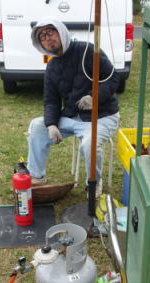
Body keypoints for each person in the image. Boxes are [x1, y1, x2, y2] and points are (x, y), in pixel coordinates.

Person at [26, 18, 120, 196]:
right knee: (37, 126)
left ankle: (93, 183)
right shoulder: (52, 66)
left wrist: (94, 97)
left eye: (50, 32)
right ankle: (36, 177)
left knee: (89, 144)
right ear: (40, 44)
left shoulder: (88, 50)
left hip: (102, 116)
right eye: (42, 37)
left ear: (61, 31)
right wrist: (51, 124)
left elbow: (113, 78)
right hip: (72, 116)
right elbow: (51, 100)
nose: (47, 38)